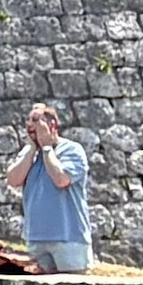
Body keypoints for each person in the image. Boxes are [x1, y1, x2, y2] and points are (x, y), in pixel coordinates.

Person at [7, 102, 92, 272]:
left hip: (69, 239)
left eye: (36, 120)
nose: (30, 125)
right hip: (36, 240)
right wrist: (32, 149)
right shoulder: (28, 153)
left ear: (51, 125)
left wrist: (46, 148)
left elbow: (61, 179)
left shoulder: (72, 150)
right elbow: (13, 180)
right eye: (28, 120)